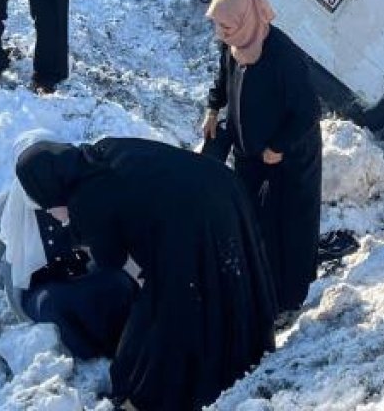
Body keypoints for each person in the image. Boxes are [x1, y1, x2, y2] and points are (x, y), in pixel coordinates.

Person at [16, 137, 278, 410]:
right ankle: (248, 346)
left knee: (181, 303)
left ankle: (162, 390)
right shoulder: (102, 151)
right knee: (226, 278)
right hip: (222, 186)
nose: (48, 211)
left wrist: (73, 225)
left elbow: (112, 260)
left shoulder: (86, 198)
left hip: (195, 216)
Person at [0, 130, 136, 360]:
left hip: (85, 275)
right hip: (39, 289)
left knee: (117, 284)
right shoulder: (7, 207)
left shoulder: (80, 192)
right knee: (57, 303)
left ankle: (126, 348)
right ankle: (90, 356)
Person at [201, 0, 323, 314]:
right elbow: (223, 78)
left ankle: (288, 300)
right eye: (218, 26)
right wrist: (213, 108)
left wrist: (279, 147)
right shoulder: (235, 44)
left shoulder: (283, 57)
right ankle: (256, 289)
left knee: (286, 227)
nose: (221, 34)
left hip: (289, 158)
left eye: (226, 27)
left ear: (246, 18)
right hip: (250, 151)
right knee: (251, 220)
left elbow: (309, 111)